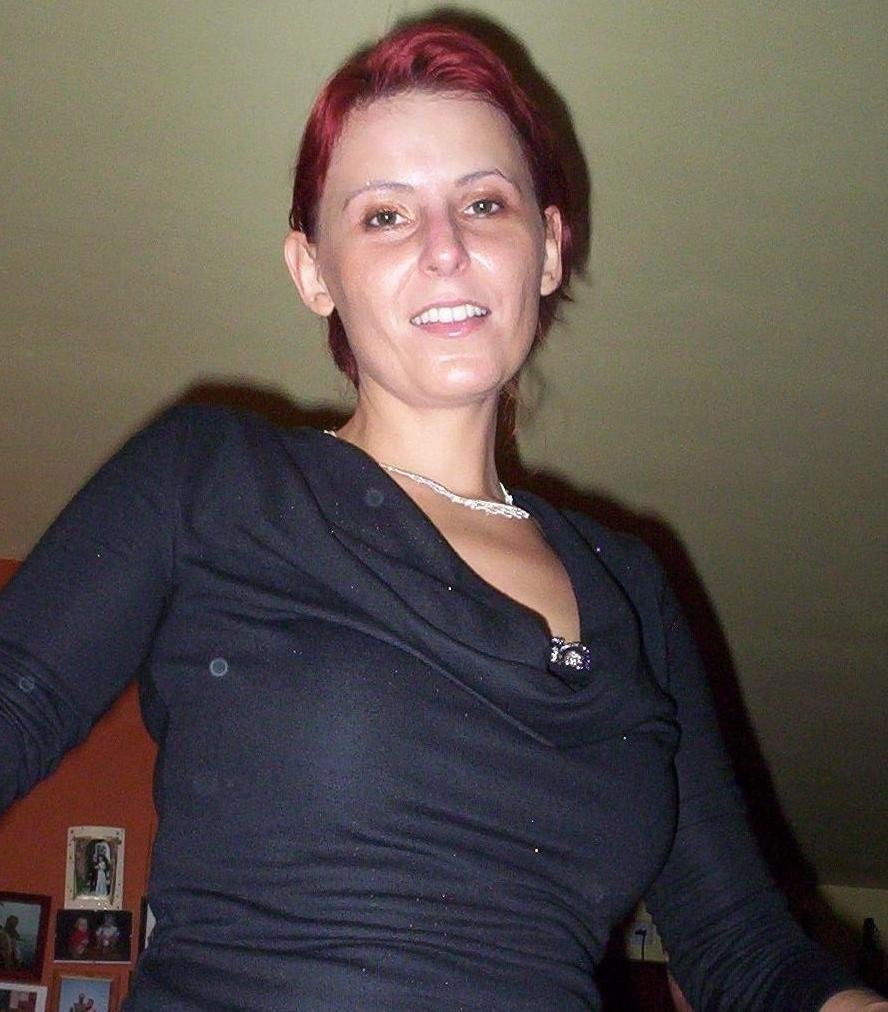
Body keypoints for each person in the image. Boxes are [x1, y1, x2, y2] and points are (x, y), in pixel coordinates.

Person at [0, 19, 884, 1012]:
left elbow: (742, 948)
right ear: (312, 270)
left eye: (484, 203)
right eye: (385, 215)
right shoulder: (213, 479)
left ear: (548, 248)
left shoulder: (630, 586)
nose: (447, 249)